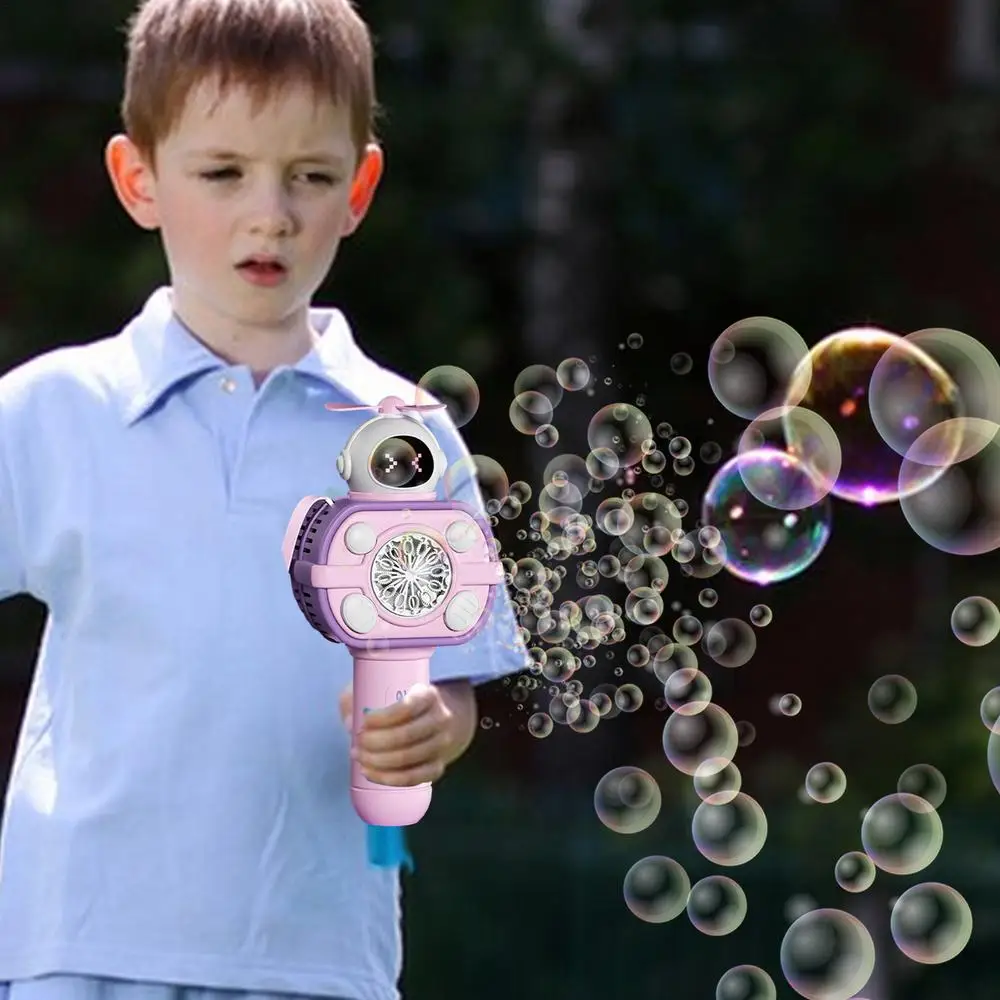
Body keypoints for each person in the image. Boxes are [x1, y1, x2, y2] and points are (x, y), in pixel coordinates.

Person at [0, 2, 529, 1000]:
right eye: (223, 172)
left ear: (360, 188)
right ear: (138, 179)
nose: (271, 213)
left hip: (315, 955)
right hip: (82, 945)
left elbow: (445, 686)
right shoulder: (51, 414)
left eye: (311, 176)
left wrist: (431, 724)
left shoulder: (403, 439)